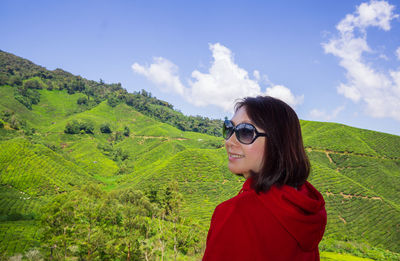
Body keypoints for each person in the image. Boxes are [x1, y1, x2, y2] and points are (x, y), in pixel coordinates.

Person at [202, 96, 327, 261]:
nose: (229, 141)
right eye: (229, 129)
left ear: (277, 142)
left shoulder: (234, 213)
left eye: (246, 132)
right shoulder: (307, 209)